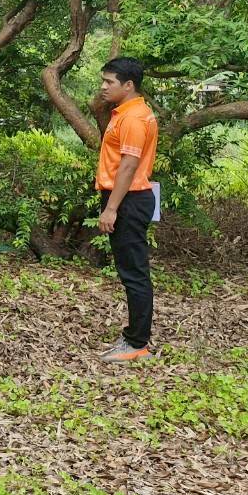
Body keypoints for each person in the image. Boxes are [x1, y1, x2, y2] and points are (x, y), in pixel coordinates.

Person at [95, 57, 159, 363]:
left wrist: (111, 209)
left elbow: (129, 167)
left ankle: (137, 344)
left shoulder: (133, 118)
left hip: (128, 199)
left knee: (134, 273)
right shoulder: (126, 113)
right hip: (128, 198)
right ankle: (135, 337)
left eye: (109, 82)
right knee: (131, 271)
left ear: (128, 85)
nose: (103, 87)